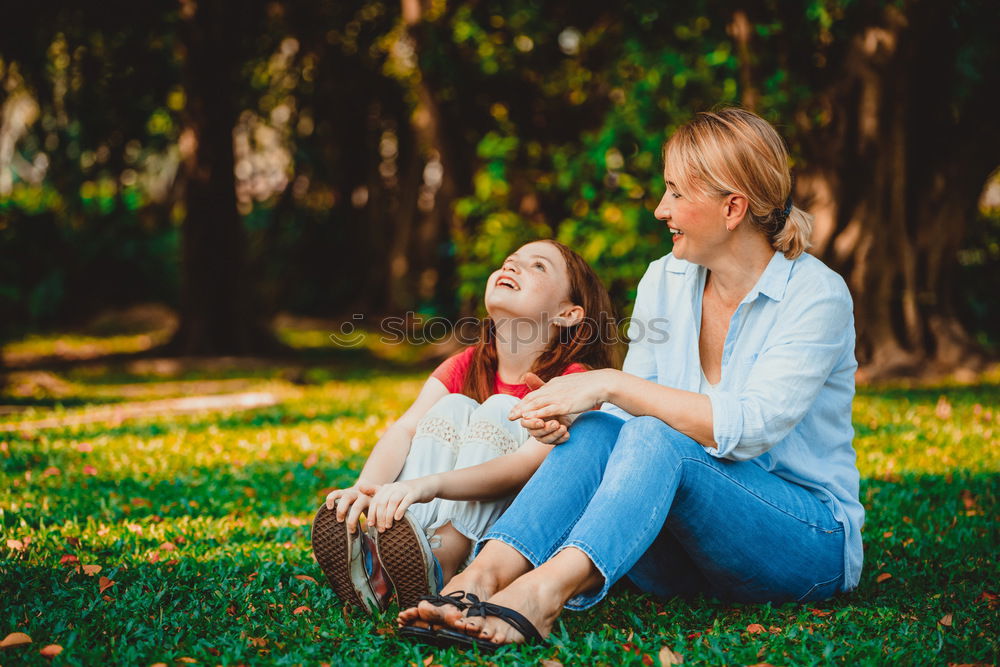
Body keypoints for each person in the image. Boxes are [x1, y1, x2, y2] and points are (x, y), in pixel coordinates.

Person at [398, 108, 864, 650]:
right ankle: (478, 578)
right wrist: (573, 417)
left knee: (654, 431)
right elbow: (619, 427)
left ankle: (542, 594)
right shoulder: (665, 278)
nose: (661, 209)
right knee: (599, 429)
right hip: (683, 553)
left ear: (732, 207)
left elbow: (748, 428)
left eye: (675, 193)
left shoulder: (815, 295)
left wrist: (608, 385)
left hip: (801, 542)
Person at [311, 239, 618, 613]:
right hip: (434, 515)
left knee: (502, 407)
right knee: (453, 405)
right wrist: (367, 488)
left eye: (538, 266)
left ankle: (443, 557)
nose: (512, 267)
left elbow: (524, 468)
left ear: (568, 314)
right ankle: (399, 551)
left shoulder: (573, 381)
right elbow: (405, 429)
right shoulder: (467, 364)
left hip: (510, 541)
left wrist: (428, 485)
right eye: (510, 260)